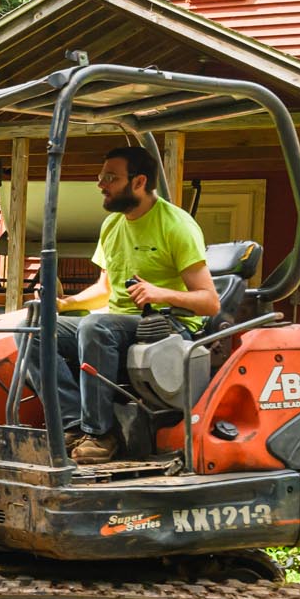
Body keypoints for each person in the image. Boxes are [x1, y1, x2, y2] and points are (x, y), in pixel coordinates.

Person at [50, 145, 220, 464]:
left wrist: (161, 293)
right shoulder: (112, 225)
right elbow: (105, 289)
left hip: (168, 327)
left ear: (139, 182)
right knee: (37, 332)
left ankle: (100, 434)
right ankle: (73, 424)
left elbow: (209, 302)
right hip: (119, 325)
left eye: (110, 177)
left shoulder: (176, 226)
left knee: (95, 326)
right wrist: (64, 304)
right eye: (101, 176)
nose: (101, 184)